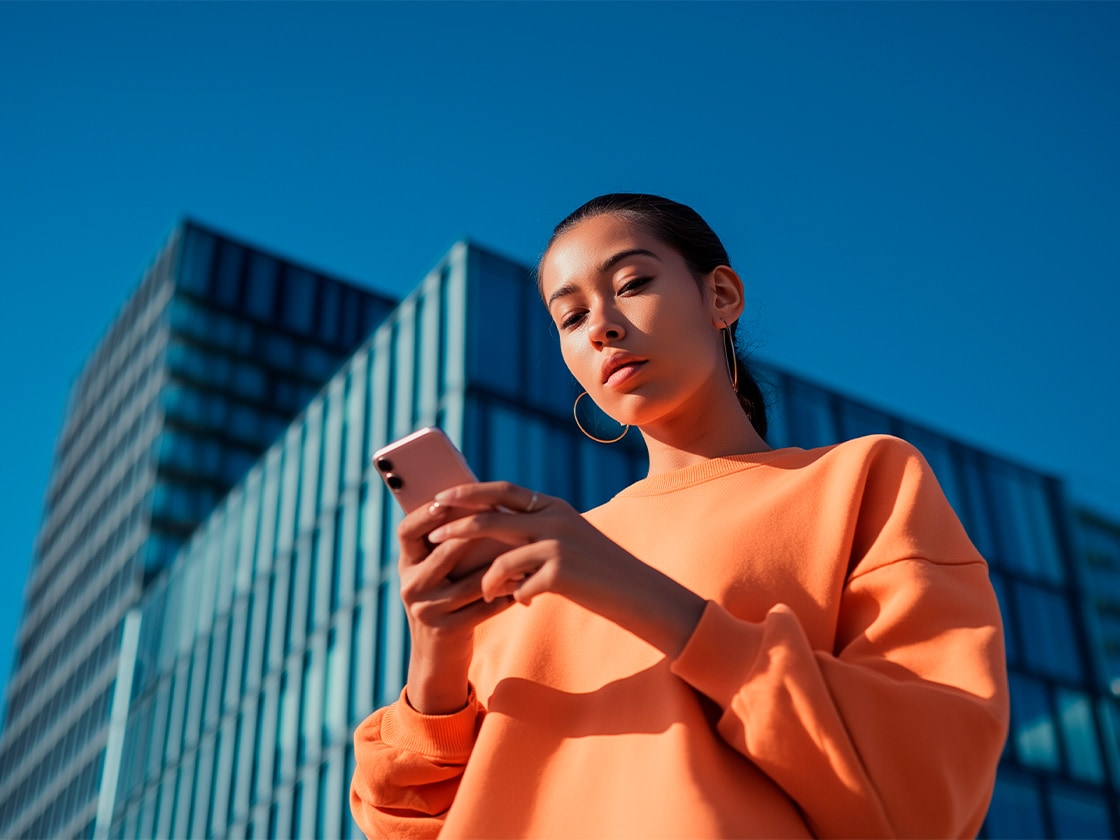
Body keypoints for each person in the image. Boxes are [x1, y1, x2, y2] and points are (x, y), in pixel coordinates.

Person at [350, 194, 1009, 838]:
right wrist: (436, 659)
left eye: (632, 282)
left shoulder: (859, 479)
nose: (602, 326)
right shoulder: (531, 562)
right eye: (571, 318)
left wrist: (634, 592)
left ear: (721, 296)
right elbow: (404, 822)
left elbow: (930, 781)